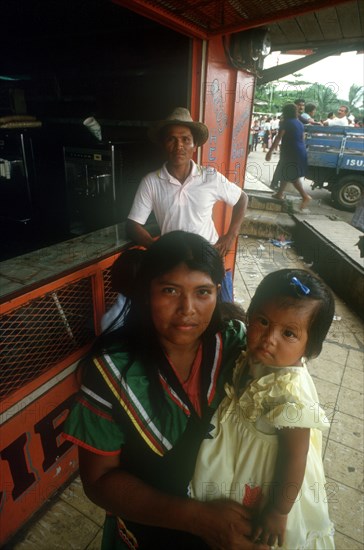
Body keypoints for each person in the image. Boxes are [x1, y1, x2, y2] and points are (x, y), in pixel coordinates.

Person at [62, 230, 269, 550]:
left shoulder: (234, 343)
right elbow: (99, 481)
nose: (187, 309)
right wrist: (198, 518)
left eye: (202, 292)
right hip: (149, 534)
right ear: (146, 293)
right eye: (170, 290)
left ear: (217, 292)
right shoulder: (111, 373)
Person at [190, 268, 336, 549]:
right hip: (241, 457)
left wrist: (278, 511)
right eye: (263, 321)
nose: (269, 338)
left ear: (311, 348)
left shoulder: (291, 393)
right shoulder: (258, 357)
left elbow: (296, 455)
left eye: (289, 333)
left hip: (275, 480)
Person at [125, 107, 248, 301]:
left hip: (209, 258)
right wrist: (155, 246)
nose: (178, 146)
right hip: (173, 263)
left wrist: (230, 235)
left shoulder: (210, 177)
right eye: (171, 139)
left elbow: (242, 198)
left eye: (185, 139)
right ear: (164, 144)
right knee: (182, 313)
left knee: (221, 313)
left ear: (195, 144)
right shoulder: (151, 181)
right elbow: (133, 224)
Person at [265, 103, 312, 211]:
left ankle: (305, 196)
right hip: (299, 151)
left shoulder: (285, 123)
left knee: (292, 176)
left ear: (285, 112)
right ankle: (280, 193)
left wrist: (270, 152)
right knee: (285, 172)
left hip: (291, 152)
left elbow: (278, 138)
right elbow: (302, 138)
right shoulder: (299, 123)